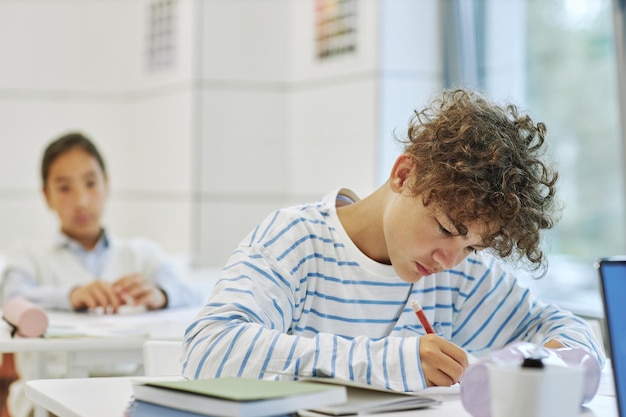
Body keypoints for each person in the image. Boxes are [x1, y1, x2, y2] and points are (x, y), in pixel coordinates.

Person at [181, 89, 605, 391]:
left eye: (473, 247)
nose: (449, 260)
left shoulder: (463, 276)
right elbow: (210, 349)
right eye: (445, 228)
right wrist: (392, 361)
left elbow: (565, 327)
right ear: (404, 175)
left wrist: (556, 358)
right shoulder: (294, 241)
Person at [0, 132, 204, 417]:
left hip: (131, 396)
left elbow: (199, 293)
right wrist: (70, 295)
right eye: (64, 188)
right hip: (47, 399)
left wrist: (162, 294)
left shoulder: (142, 254)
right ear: (46, 195)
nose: (82, 200)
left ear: (107, 185)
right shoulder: (27, 255)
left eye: (91, 183)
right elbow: (13, 298)